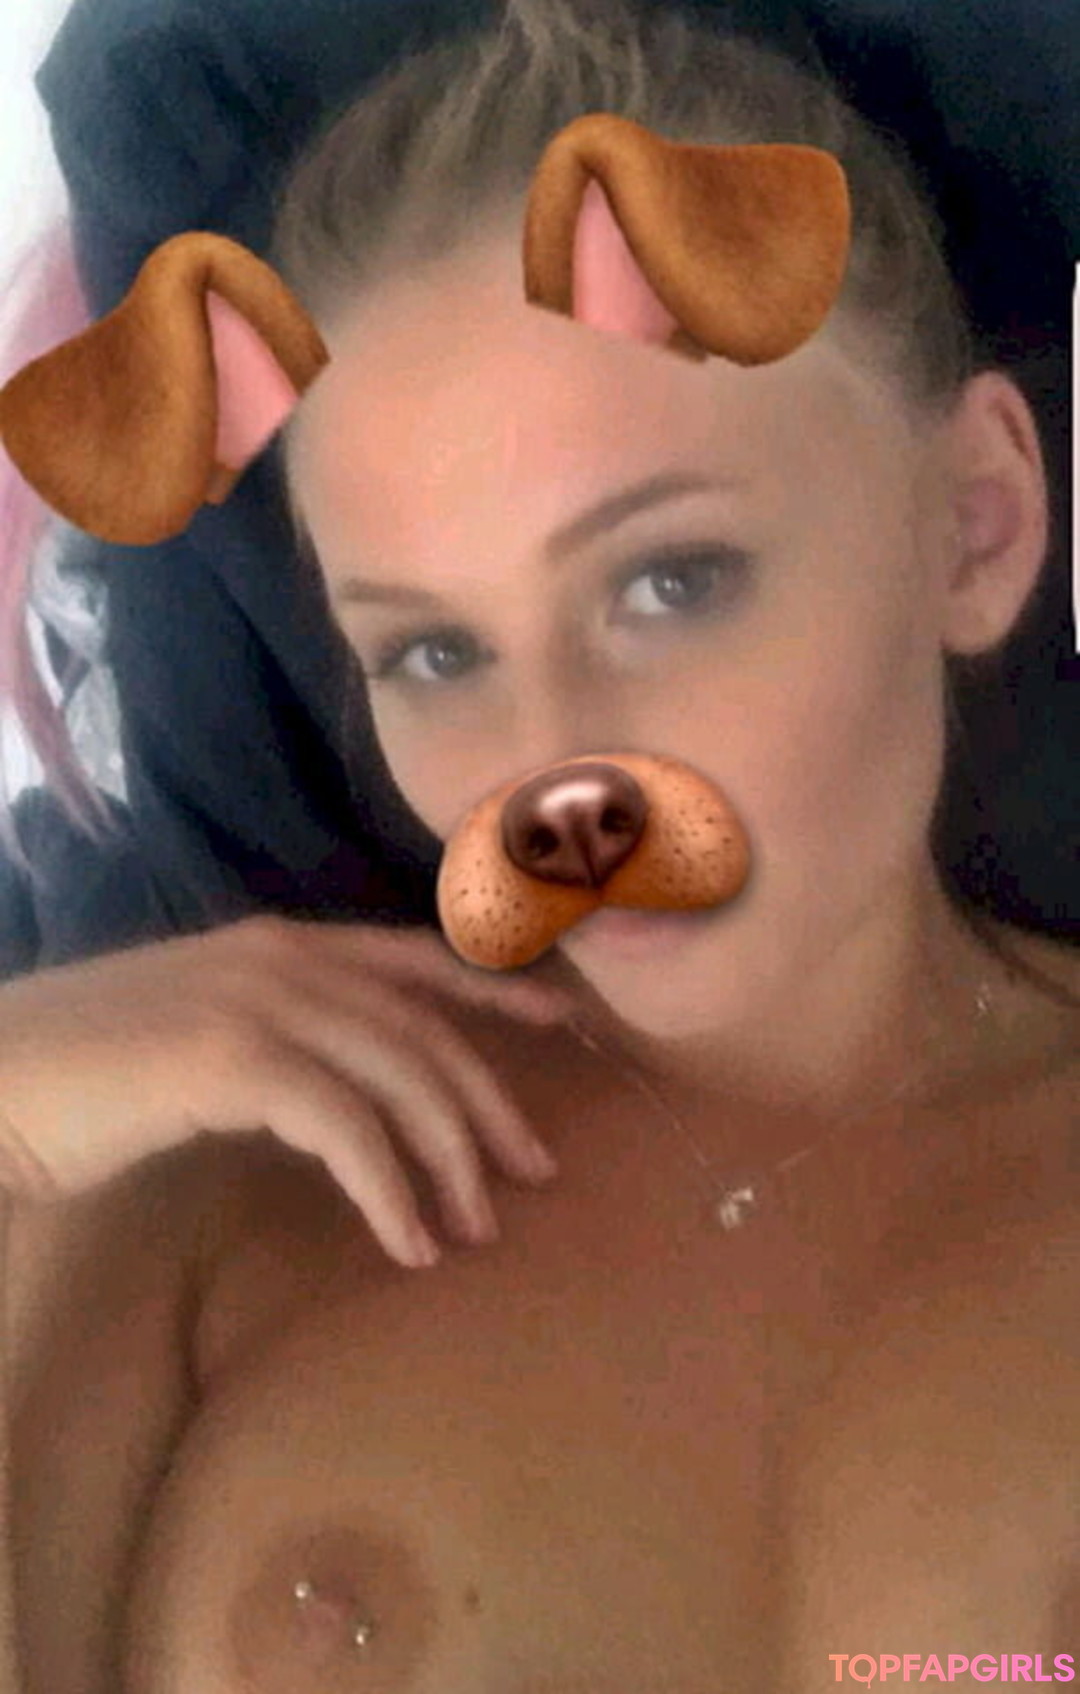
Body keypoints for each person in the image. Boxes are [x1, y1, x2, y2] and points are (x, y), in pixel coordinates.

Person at [0, 1, 1076, 1690]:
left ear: (979, 527)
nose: (552, 777)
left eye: (670, 580)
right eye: (436, 652)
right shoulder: (217, 1204)